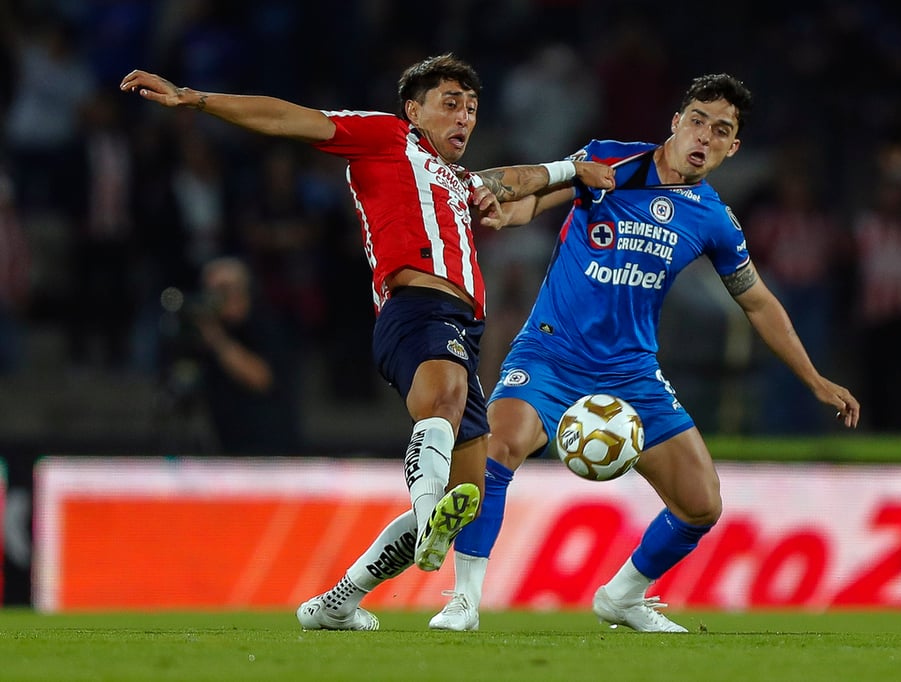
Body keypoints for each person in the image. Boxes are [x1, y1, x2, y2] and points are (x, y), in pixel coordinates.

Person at [121, 54, 615, 630]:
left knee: (471, 495)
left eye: (473, 109)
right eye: (450, 103)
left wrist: (573, 168)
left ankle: (338, 601)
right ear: (414, 108)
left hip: (461, 327)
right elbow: (288, 118)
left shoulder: (458, 183)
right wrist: (193, 98)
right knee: (445, 399)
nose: (464, 117)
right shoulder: (386, 136)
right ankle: (430, 513)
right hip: (416, 308)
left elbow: (518, 179)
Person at [429, 73, 861, 633]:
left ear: (733, 148)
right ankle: (463, 600)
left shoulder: (713, 220)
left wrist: (815, 379)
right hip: (550, 355)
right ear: (676, 123)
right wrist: (500, 207)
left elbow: (758, 303)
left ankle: (622, 597)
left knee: (702, 504)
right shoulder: (613, 163)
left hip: (632, 374)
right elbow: (532, 204)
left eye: (721, 130)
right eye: (698, 120)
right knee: (498, 448)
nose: (704, 136)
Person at [187, 256, 304, 454]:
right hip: (226, 446)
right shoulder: (208, 330)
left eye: (223, 288)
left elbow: (261, 378)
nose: (215, 296)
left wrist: (217, 339)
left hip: (269, 450)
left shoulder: (268, 324)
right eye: (210, 289)